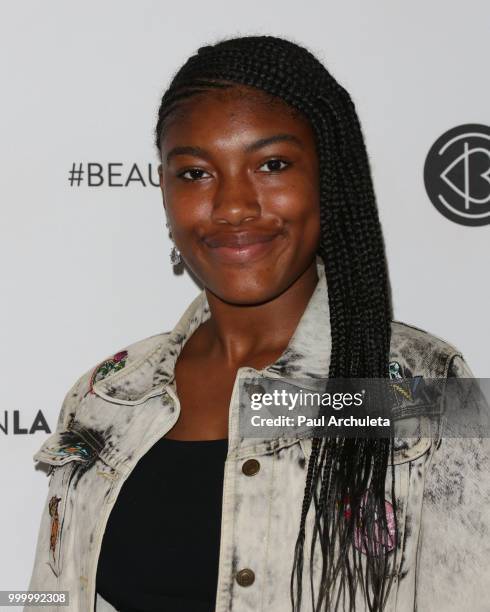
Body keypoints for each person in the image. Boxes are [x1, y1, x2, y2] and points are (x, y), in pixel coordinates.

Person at [25, 35, 489, 612]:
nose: (234, 205)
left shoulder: (429, 389)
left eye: (272, 165)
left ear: (329, 180)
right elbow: (47, 595)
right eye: (195, 173)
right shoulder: (109, 395)